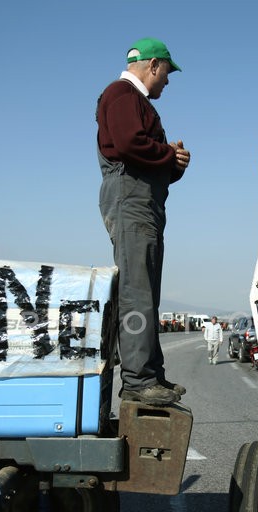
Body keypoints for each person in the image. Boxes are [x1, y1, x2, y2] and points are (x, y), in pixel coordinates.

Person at [96, 38, 190, 406]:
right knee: (137, 289)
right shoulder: (122, 94)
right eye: (166, 73)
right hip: (131, 198)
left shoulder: (135, 100)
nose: (167, 81)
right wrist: (169, 153)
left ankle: (152, 374)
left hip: (143, 199)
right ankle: (137, 380)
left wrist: (173, 163)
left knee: (146, 290)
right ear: (153, 65)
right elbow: (129, 144)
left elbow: (145, 157)